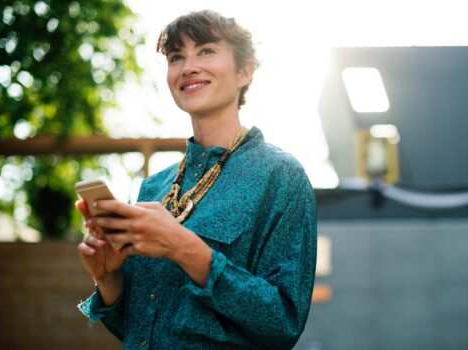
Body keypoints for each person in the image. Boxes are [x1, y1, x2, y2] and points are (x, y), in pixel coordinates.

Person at [77, 10, 317, 349]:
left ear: (245, 71)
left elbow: (283, 322)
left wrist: (183, 248)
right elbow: (135, 328)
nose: (188, 66)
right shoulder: (153, 188)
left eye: (205, 50)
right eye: (176, 57)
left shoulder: (282, 177)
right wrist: (107, 276)